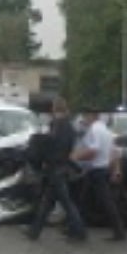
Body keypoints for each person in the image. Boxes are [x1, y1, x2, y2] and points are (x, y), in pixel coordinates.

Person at [25, 97, 87, 242]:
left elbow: (51, 145)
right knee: (48, 202)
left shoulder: (56, 125)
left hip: (54, 168)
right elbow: (68, 147)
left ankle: (80, 232)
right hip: (63, 166)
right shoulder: (71, 127)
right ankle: (34, 231)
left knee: (66, 203)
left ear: (54, 109)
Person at [72, 106, 127, 241]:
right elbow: (114, 152)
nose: (83, 119)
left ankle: (79, 231)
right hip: (102, 169)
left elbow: (93, 150)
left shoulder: (95, 130)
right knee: (90, 201)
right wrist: (115, 169)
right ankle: (78, 230)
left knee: (99, 202)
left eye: (85, 116)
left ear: (91, 116)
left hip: (95, 170)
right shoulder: (106, 130)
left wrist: (76, 157)